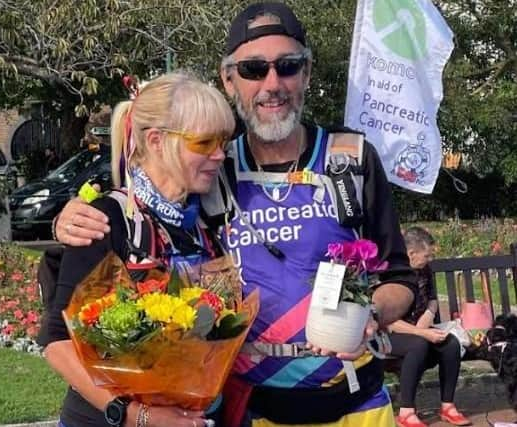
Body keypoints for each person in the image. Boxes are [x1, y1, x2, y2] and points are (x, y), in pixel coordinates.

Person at [52, 3, 416, 425]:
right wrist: (71, 216)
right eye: (253, 70)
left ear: (308, 74)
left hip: (356, 404)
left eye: (289, 66)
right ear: (228, 80)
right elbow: (143, 191)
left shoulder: (350, 159)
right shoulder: (211, 168)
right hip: (251, 411)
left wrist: (370, 315)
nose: (272, 83)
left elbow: (400, 278)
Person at [37, 72, 235, 427]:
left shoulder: (207, 217)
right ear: (156, 141)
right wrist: (132, 415)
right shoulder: (105, 219)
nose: (220, 154)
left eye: (225, 140)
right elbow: (56, 342)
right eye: (204, 142)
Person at [389, 227, 471, 427]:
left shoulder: (425, 269)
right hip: (392, 335)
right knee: (419, 344)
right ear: (411, 254)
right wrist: (421, 332)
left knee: (450, 343)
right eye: (427, 255)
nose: (430, 259)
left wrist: (428, 314)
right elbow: (386, 320)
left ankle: (448, 406)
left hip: (419, 330)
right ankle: (407, 412)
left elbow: (433, 298)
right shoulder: (390, 272)